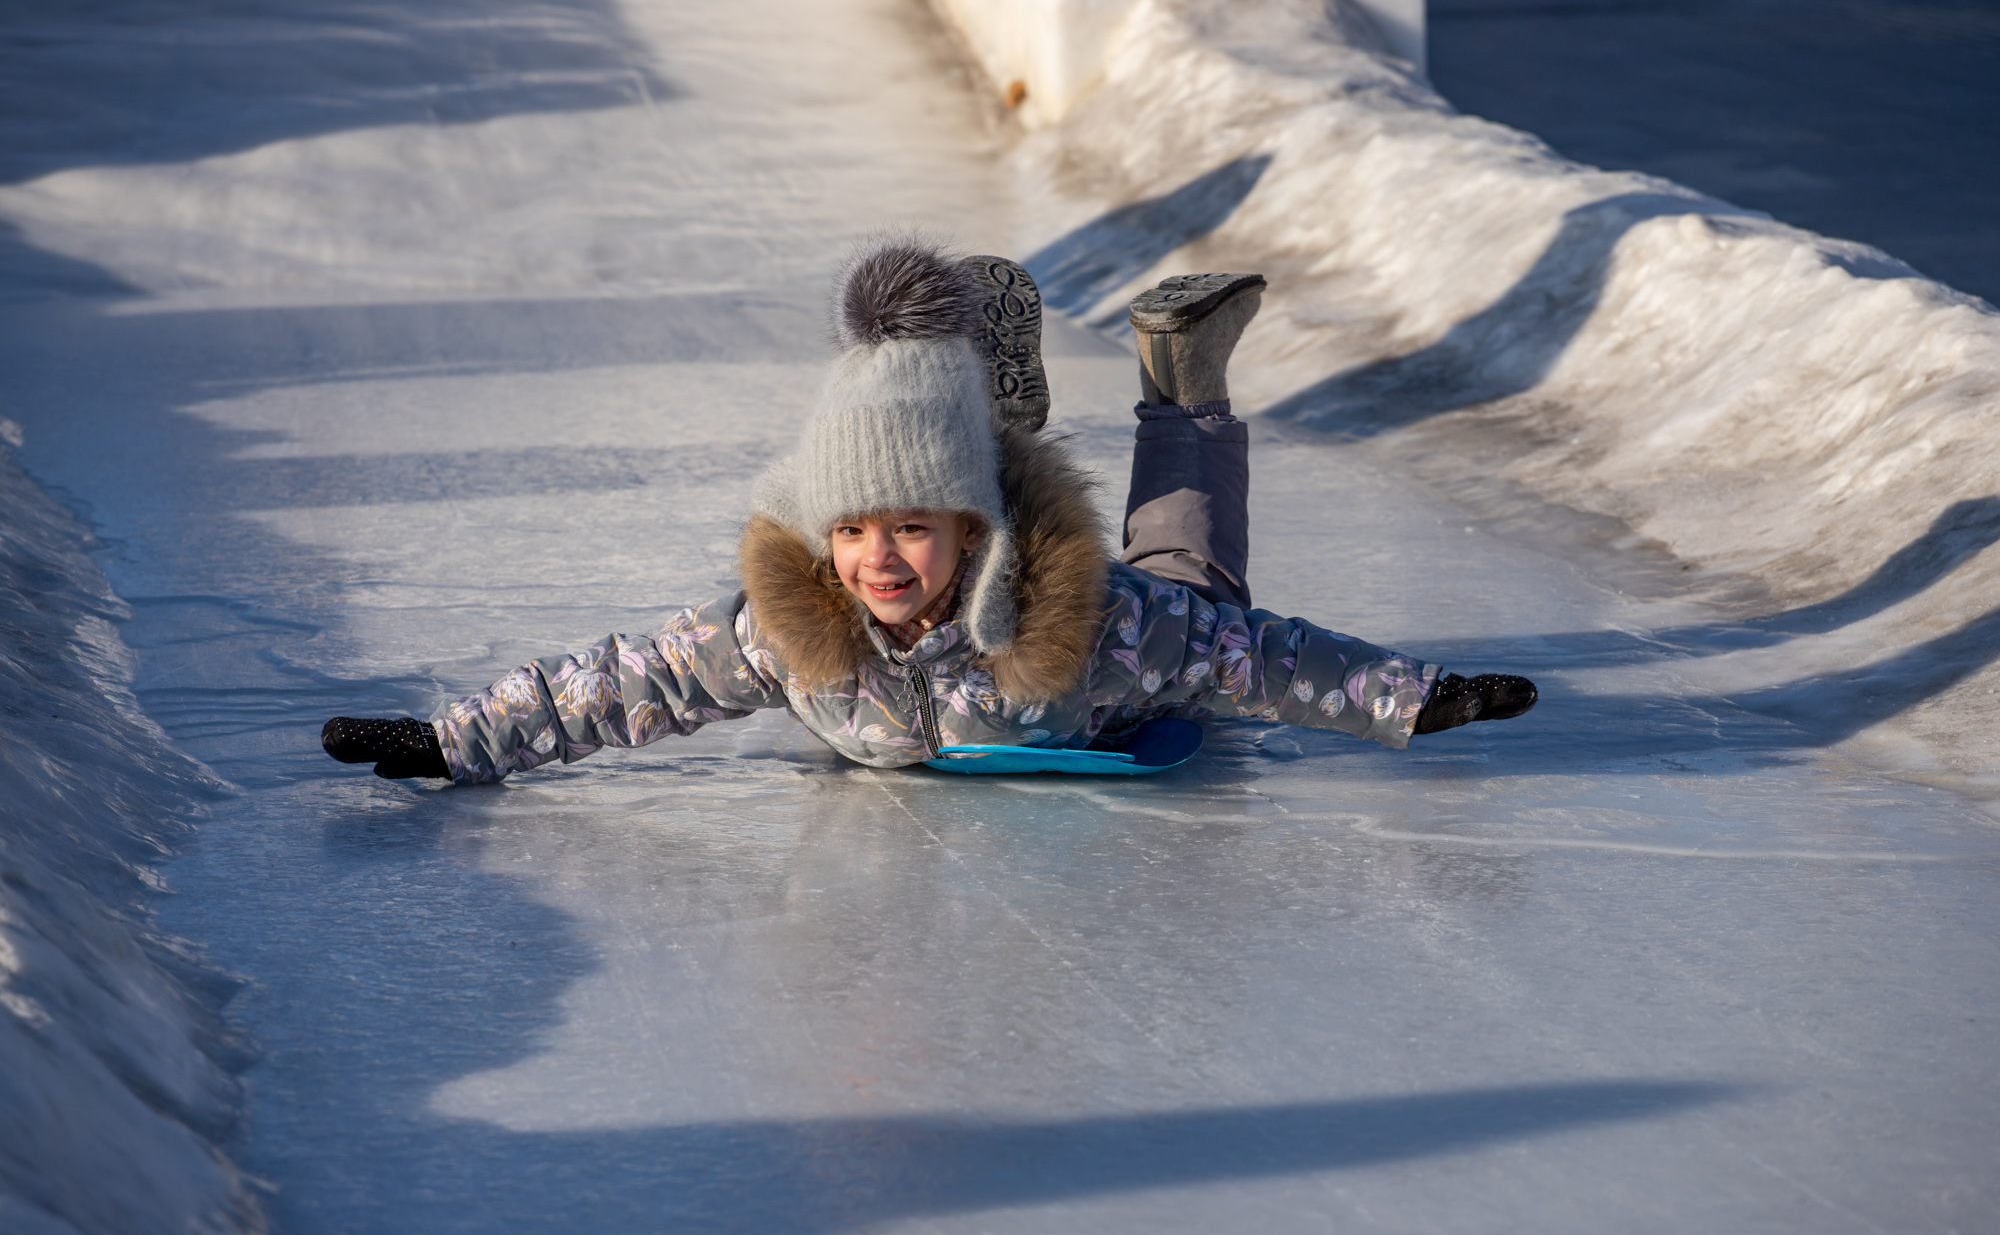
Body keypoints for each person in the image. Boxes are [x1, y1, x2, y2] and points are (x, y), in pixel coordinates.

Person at [321, 240, 1535, 783]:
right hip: (974, 562)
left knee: (1197, 590)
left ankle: (1182, 379)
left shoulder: (1096, 629)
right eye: (850, 528)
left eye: (908, 526)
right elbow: (625, 683)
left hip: (1078, 658)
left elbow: (1256, 658)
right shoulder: (793, 628)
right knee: (950, 479)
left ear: (965, 532)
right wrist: (454, 740)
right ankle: (984, 413)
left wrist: (1406, 697)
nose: (874, 558)